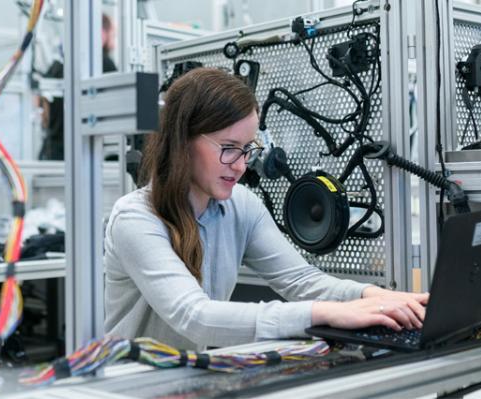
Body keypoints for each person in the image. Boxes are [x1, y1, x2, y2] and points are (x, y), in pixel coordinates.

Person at [103, 68, 428, 351]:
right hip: (131, 384)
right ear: (183, 141)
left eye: (248, 149)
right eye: (229, 149)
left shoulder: (240, 205)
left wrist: (379, 297)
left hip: (187, 379)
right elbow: (195, 317)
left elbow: (301, 280)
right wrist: (324, 313)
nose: (242, 165)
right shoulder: (136, 218)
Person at [38, 14, 117, 160]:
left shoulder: (58, 65)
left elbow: (42, 109)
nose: (114, 40)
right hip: (85, 153)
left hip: (53, 153)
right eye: (112, 33)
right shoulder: (103, 63)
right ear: (101, 33)